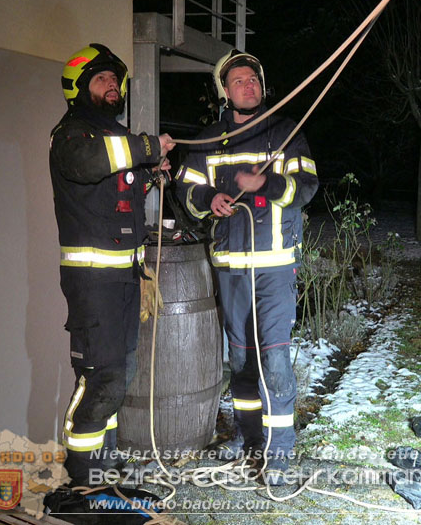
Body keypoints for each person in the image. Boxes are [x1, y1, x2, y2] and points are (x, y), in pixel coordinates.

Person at [176, 49, 318, 483]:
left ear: (262, 84)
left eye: (253, 80)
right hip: (231, 268)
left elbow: (307, 186)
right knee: (240, 362)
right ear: (225, 90)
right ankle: (249, 436)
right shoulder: (208, 141)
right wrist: (207, 200)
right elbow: (186, 190)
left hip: (274, 268)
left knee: (274, 360)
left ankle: (279, 453)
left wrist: (268, 183)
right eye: (238, 81)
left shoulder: (285, 132)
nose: (247, 86)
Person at [49, 43, 175, 487]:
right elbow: (90, 165)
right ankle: (80, 481)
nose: (110, 86)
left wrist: (150, 175)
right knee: (99, 381)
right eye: (100, 79)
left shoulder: (112, 140)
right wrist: (145, 146)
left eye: (113, 79)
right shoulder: (73, 136)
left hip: (123, 282)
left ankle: (105, 467)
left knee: (117, 380)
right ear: (79, 89)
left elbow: (119, 194)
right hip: (93, 285)